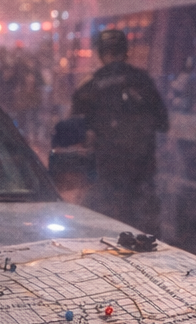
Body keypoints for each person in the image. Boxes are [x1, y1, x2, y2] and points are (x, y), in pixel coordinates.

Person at [70, 26, 168, 230]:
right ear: (126, 51)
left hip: (106, 170)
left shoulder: (89, 86)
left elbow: (75, 132)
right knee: (145, 227)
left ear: (100, 53)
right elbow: (163, 123)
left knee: (101, 225)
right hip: (142, 169)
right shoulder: (143, 81)